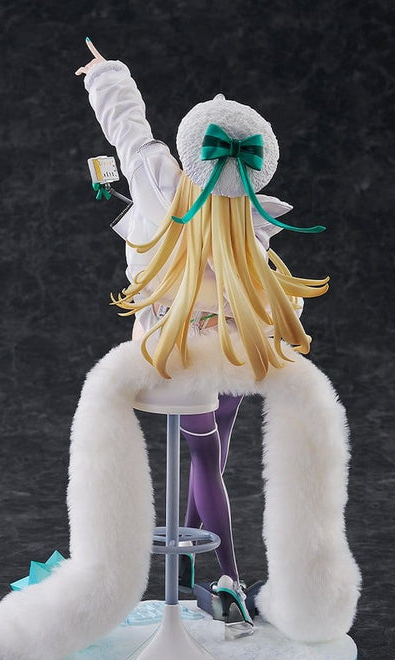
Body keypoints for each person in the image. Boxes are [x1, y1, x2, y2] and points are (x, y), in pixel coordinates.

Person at [77, 40, 329, 629]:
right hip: (239, 352)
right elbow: (275, 293)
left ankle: (227, 577)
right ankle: (199, 571)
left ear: (194, 157)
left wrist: (105, 74)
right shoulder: (253, 217)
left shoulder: (161, 184)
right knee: (211, 456)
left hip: (178, 357)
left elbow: (129, 130)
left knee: (205, 458)